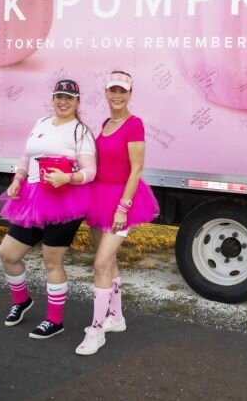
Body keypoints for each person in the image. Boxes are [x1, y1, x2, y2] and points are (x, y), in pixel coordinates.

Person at [0, 79, 96, 339]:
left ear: (77, 102)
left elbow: (90, 171)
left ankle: (54, 320)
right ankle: (21, 301)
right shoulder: (41, 123)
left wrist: (69, 178)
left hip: (64, 201)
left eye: (69, 97)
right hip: (31, 199)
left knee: (52, 261)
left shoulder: (81, 131)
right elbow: (26, 156)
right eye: (59, 96)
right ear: (53, 99)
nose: (63, 102)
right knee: (8, 253)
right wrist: (18, 178)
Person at [75, 70, 160, 355]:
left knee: (99, 264)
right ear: (106, 93)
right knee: (108, 262)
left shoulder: (134, 124)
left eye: (123, 91)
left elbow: (136, 169)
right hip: (98, 197)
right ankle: (117, 317)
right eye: (113, 90)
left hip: (120, 202)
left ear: (130, 94)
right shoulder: (106, 123)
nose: (117, 96)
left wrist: (123, 207)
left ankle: (97, 331)